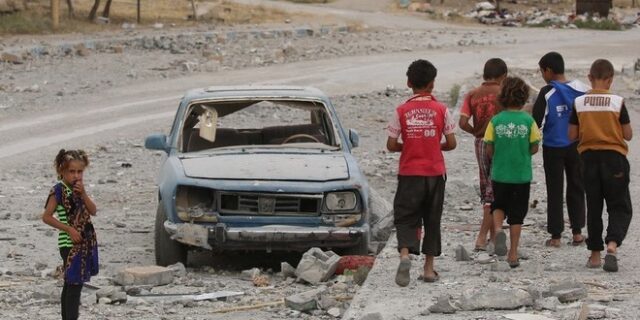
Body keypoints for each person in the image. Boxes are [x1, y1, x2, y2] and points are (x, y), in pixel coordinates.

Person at [387, 59, 457, 286]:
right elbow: (452, 142)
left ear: (409, 82)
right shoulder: (441, 109)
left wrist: (407, 145)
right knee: (432, 218)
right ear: (432, 84)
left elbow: (391, 144)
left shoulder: (402, 110)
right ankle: (428, 269)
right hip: (435, 173)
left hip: (409, 173)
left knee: (405, 215)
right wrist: (436, 145)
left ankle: (405, 255)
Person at [569, 59, 633, 272]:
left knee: (594, 207)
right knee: (619, 206)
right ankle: (612, 246)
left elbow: (572, 134)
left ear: (590, 78)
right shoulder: (617, 102)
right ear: (610, 79)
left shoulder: (579, 103)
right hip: (614, 159)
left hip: (588, 160)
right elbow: (628, 134)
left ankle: (595, 256)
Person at [532, 52, 589, 248]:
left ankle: (556, 236)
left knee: (554, 189)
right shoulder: (582, 89)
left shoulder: (547, 92)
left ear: (548, 70)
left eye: (542, 71)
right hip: (578, 145)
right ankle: (577, 233)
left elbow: (536, 121)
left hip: (553, 146)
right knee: (577, 186)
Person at [484, 76, 541, 268]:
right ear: (524, 97)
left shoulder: (495, 121)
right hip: (521, 175)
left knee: (498, 205)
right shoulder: (528, 121)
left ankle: (499, 229)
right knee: (517, 214)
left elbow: (489, 148)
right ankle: (513, 254)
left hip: (500, 173)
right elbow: (534, 147)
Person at [42, 149, 99, 320]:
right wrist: (69, 229)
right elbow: (46, 217)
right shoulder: (58, 191)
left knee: (71, 285)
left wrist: (84, 194)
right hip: (69, 244)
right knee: (74, 287)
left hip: (83, 244)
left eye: (79, 172)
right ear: (62, 171)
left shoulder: (79, 190)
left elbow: (93, 210)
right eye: (71, 171)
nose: (76, 175)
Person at [459, 58, 508, 251]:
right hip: (501, 144)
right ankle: (482, 238)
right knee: (494, 190)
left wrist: (476, 132)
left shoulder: (472, 94)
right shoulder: (504, 93)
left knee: (487, 186)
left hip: (480, 143)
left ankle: (494, 236)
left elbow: (462, 122)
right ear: (503, 76)